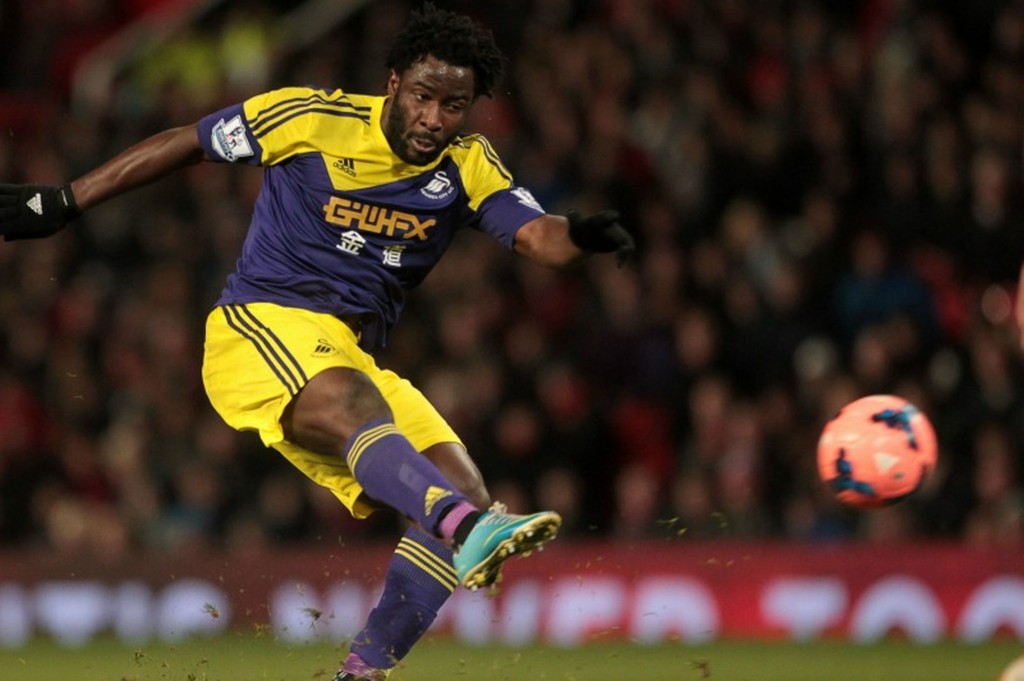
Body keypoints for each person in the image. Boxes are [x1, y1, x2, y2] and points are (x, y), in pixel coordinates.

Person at [0, 3, 634, 679]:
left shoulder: (467, 165)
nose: (433, 119)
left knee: (461, 482)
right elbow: (189, 140)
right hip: (259, 326)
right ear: (393, 83)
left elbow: (538, 235)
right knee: (392, 440)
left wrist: (582, 236)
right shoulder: (310, 117)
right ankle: (464, 526)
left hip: (344, 353)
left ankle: (362, 670)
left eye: (455, 105)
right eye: (423, 97)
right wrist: (65, 200)